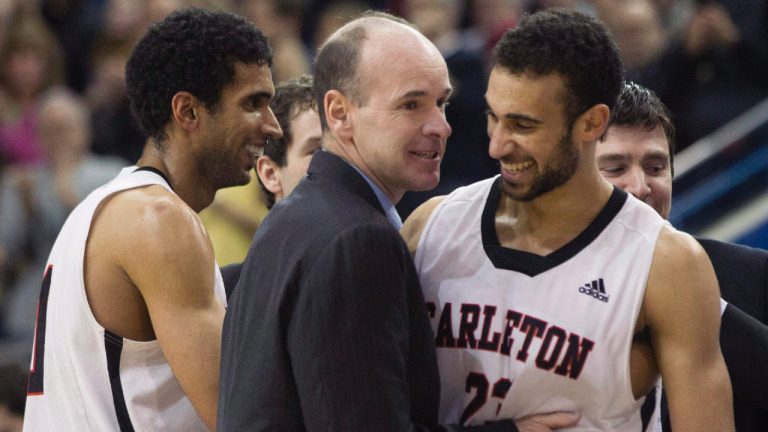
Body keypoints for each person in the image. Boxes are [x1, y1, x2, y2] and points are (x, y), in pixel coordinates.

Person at [218, 11, 578, 432]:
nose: (441, 126)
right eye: (411, 104)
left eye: (441, 102)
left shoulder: (295, 215)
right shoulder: (359, 240)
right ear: (338, 113)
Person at [401, 8, 734, 431]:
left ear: (592, 124)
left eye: (522, 125)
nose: (498, 145)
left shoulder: (667, 266)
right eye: (493, 117)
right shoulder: (429, 227)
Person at [22, 8, 281, 431]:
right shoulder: (159, 221)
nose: (272, 126)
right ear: (188, 112)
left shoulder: (104, 207)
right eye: (253, 103)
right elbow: (239, 417)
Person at [596, 81, 768, 431]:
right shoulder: (531, 290)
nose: (641, 186)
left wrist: (696, 300)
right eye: (615, 169)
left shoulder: (752, 275)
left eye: (655, 167)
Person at [219, 74, 322, 294]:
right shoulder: (226, 292)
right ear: (270, 173)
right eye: (316, 151)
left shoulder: (375, 260)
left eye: (344, 149)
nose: (337, 163)